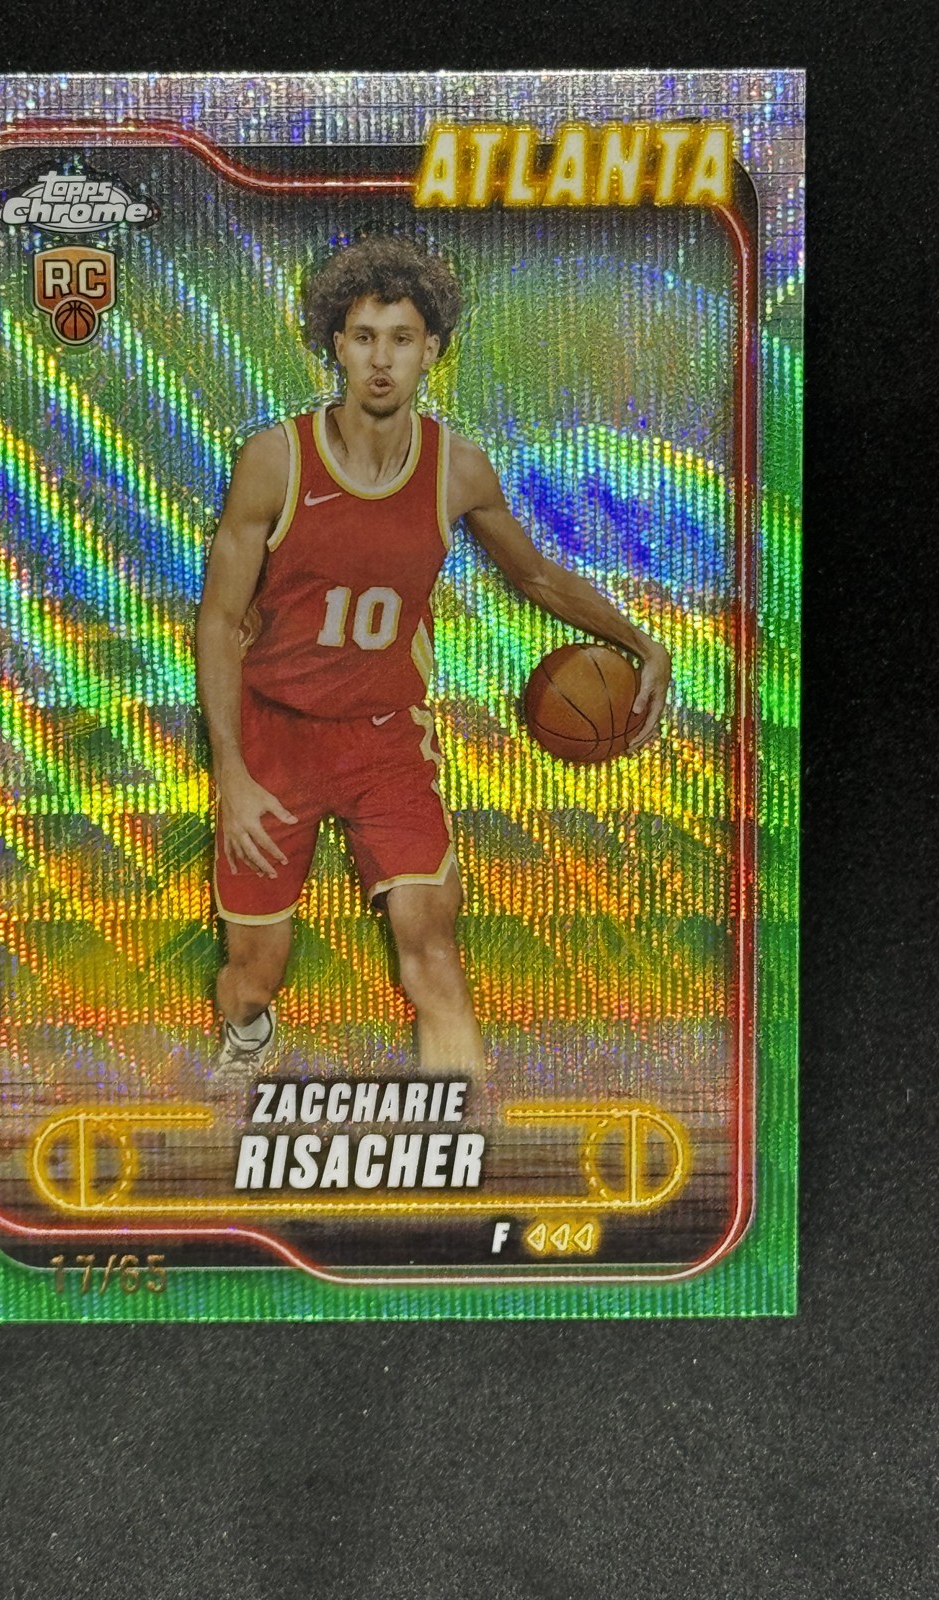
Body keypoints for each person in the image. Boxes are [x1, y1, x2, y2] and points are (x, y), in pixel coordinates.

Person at [196, 236, 670, 1083]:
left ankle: (463, 1129)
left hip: (384, 741)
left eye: (402, 339)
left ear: (432, 350)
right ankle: (248, 1030)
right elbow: (220, 620)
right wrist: (230, 770)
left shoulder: (457, 470)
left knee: (432, 953)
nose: (382, 359)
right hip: (274, 739)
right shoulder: (275, 460)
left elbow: (534, 575)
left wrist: (641, 642)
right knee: (252, 977)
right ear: (336, 346)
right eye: (364, 337)